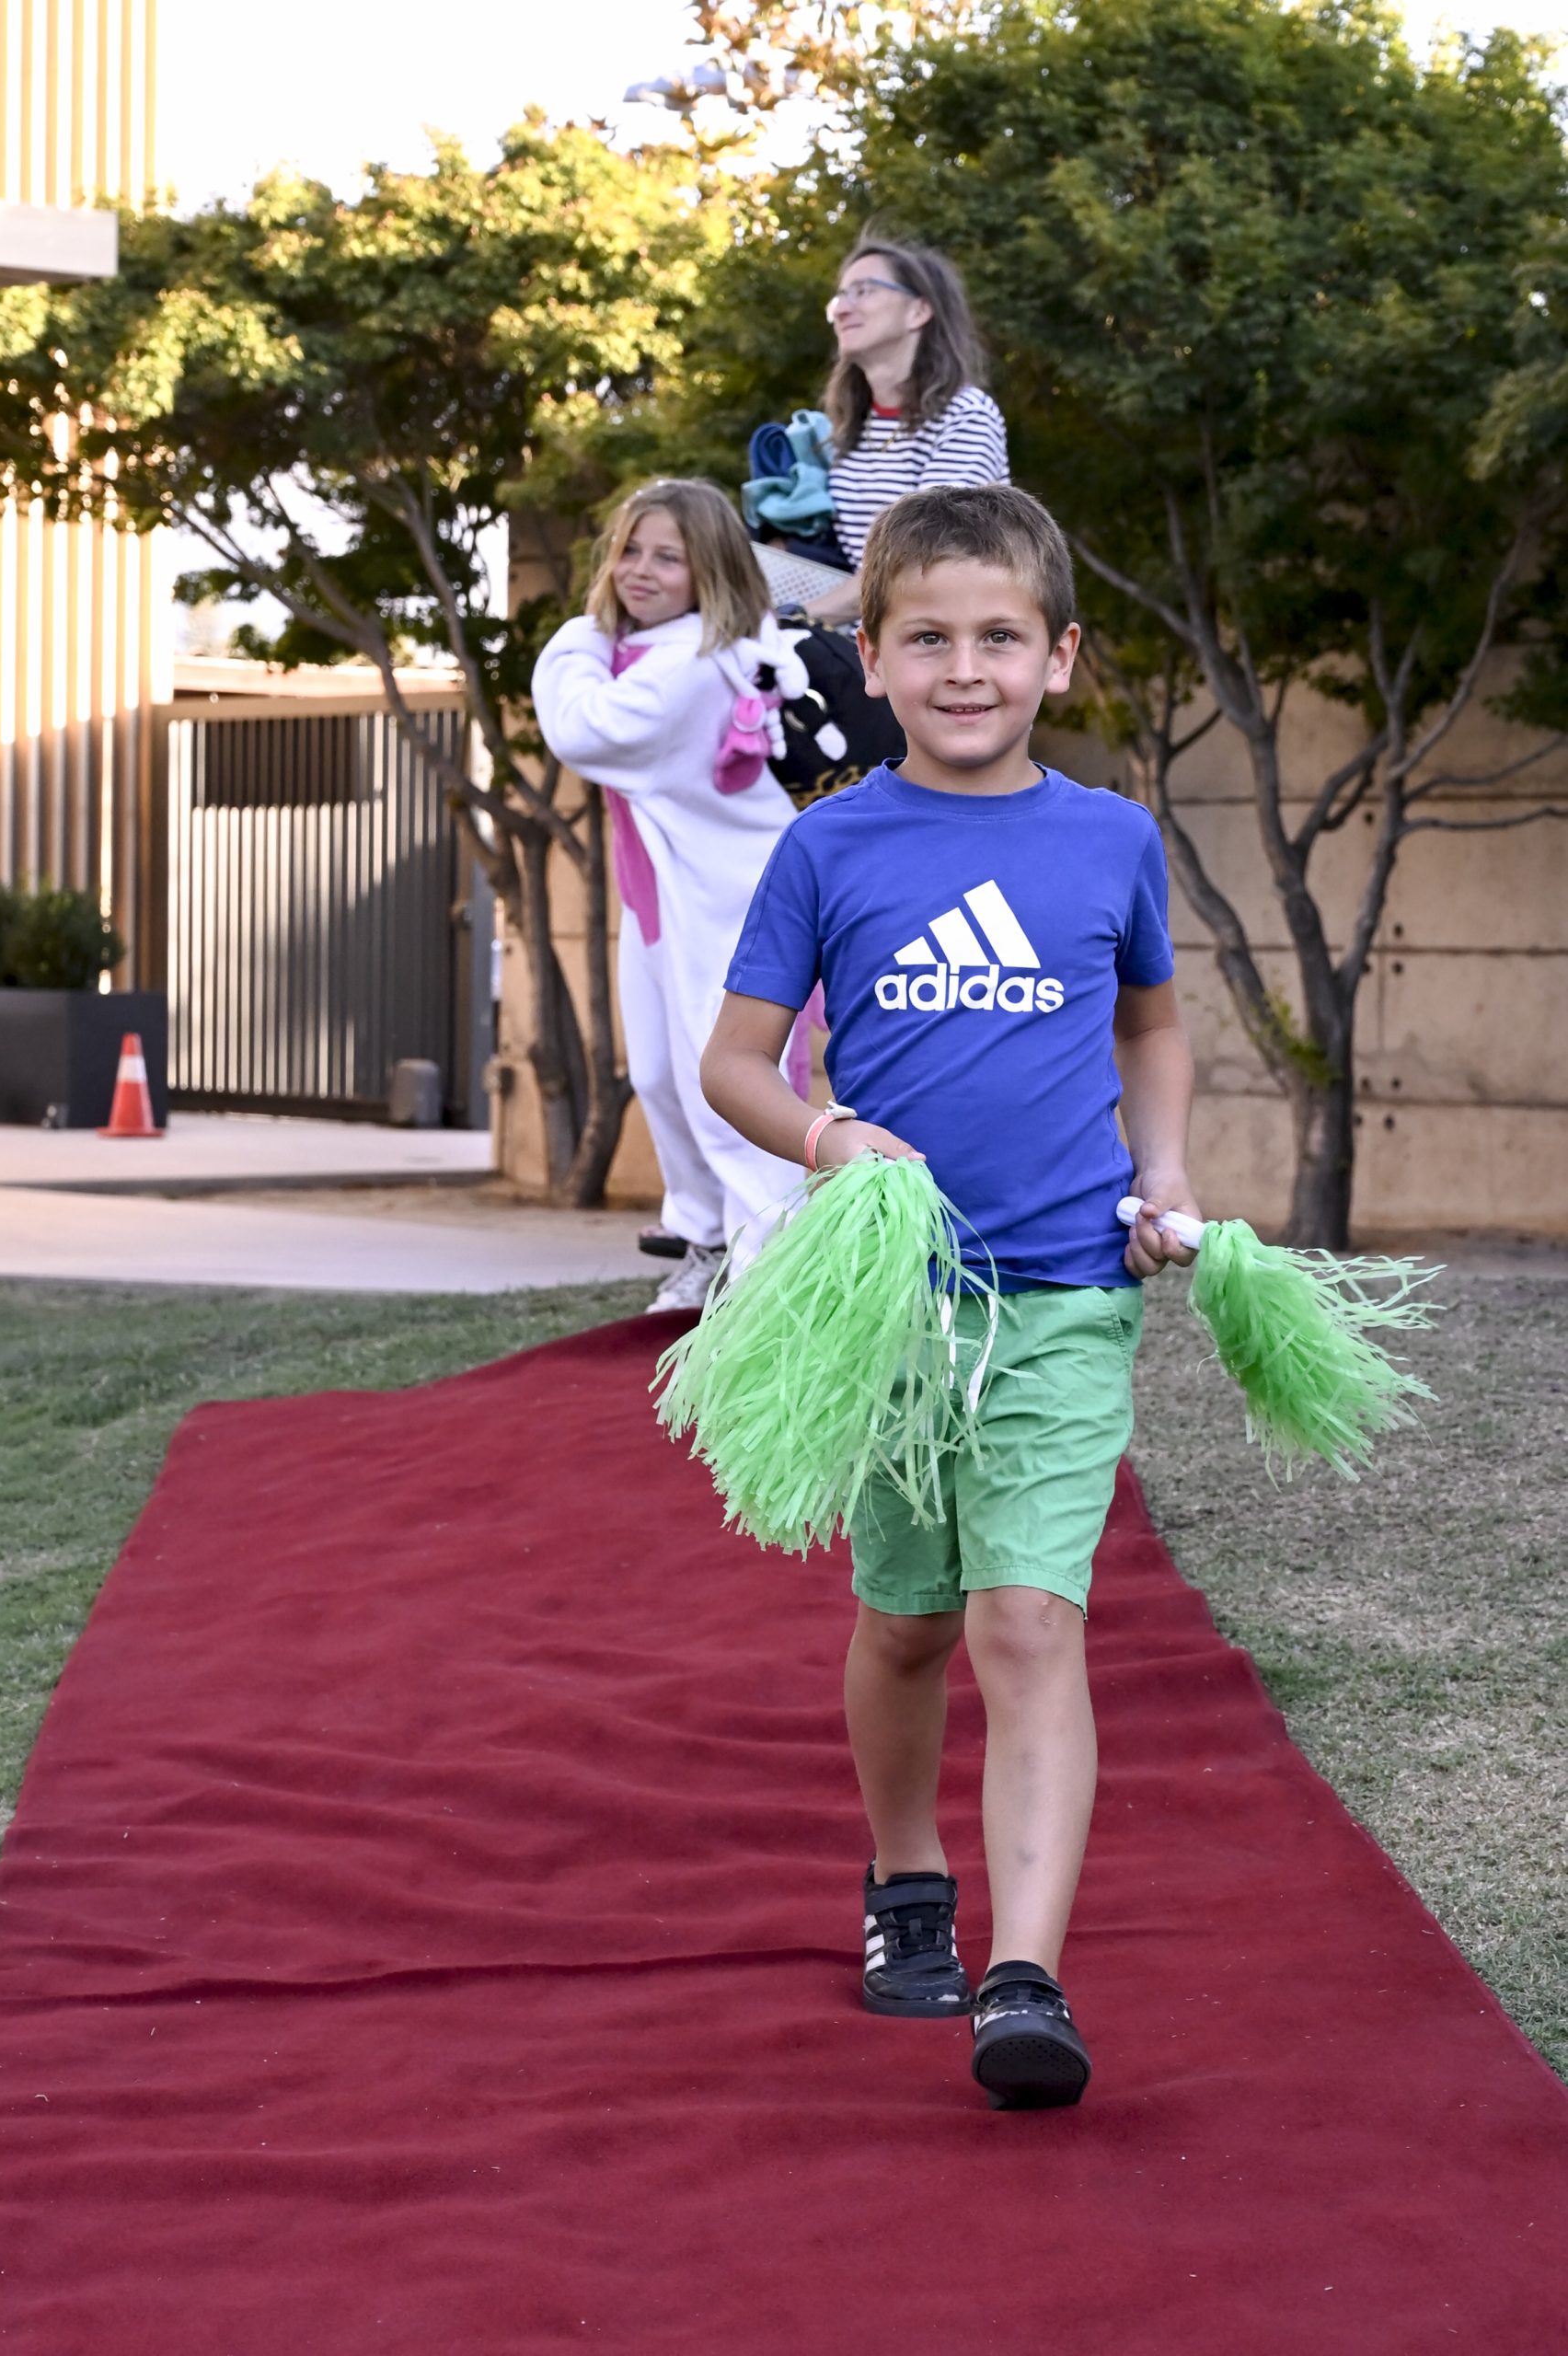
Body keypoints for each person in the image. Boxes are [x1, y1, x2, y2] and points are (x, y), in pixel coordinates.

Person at [699, 483, 1201, 2108]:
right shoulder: (828, 845)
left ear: (1060, 657)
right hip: (894, 1307)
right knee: (910, 1622)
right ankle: (906, 1872)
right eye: (927, 638)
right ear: (871, 656)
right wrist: (825, 1134)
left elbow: (1149, 1025)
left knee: (1025, 1619)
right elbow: (733, 1062)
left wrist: (1164, 1169)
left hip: (1063, 1291)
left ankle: (1023, 1977)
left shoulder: (1110, 839)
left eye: (1000, 637)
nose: (965, 668)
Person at [532, 479, 807, 1313]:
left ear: (709, 573)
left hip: (732, 904)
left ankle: (769, 1269)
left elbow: (580, 728)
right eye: (629, 550)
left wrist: (581, 633)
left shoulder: (687, 667)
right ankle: (708, 1239)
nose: (639, 571)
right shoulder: (666, 650)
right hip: (665, 898)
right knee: (657, 1073)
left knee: (728, 1083)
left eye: (668, 558)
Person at [798, 240, 1010, 628]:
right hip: (868, 643)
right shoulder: (849, 432)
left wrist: (797, 617)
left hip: (945, 645)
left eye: (863, 291)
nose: (842, 309)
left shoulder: (966, 416)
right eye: (840, 297)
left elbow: (918, 559)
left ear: (918, 311)